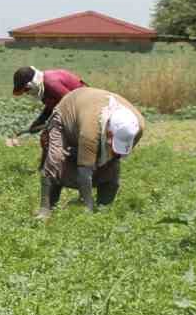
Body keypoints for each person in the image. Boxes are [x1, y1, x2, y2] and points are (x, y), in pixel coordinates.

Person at [37, 86, 145, 218]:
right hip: (68, 112)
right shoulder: (91, 131)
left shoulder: (138, 126)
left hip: (89, 111)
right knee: (56, 160)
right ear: (109, 132)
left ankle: (103, 212)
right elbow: (85, 173)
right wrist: (88, 208)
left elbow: (115, 156)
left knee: (111, 169)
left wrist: (110, 157)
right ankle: (45, 209)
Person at [9, 66, 85, 144]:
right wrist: (39, 122)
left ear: (32, 84)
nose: (27, 93)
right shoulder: (44, 87)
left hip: (84, 108)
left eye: (26, 90)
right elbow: (51, 106)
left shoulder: (51, 84)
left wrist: (54, 123)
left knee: (51, 139)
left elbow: (71, 104)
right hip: (75, 110)